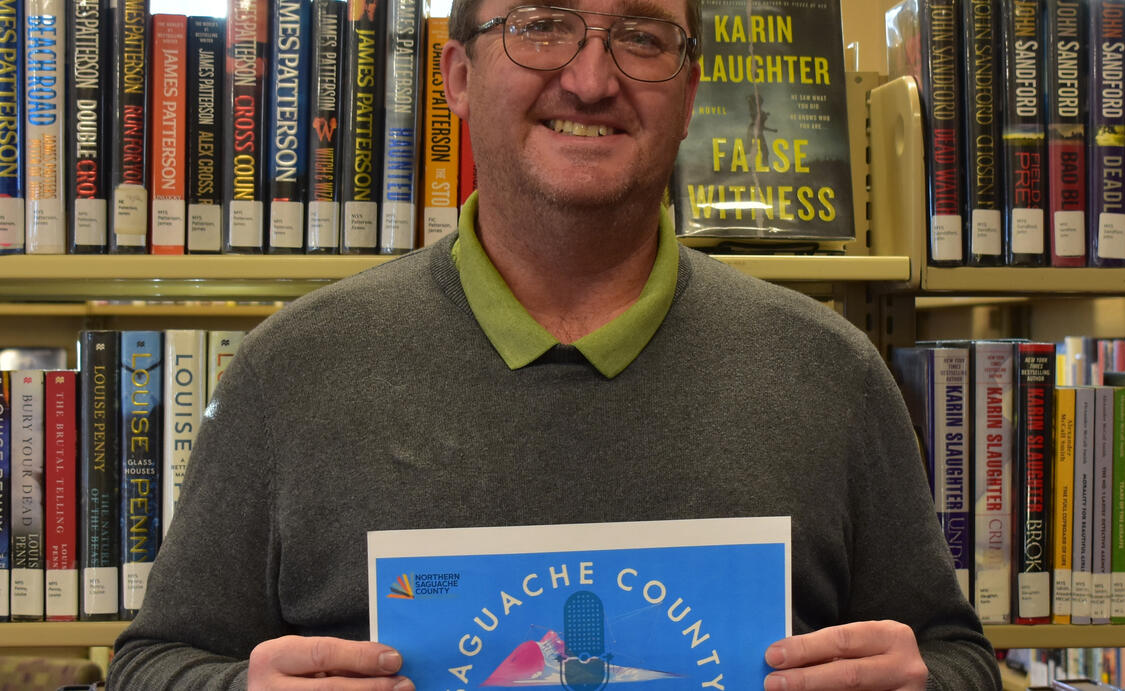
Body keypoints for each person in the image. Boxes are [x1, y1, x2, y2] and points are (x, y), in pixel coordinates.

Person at [108, 0, 1002, 687]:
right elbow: (152, 664)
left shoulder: (830, 372)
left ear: (690, 97)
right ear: (458, 76)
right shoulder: (292, 370)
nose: (590, 79)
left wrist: (925, 682)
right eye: (541, 25)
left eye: (642, 37)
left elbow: (956, 655)